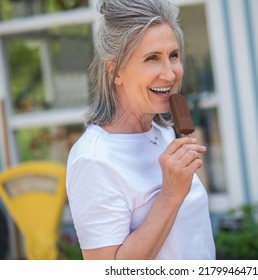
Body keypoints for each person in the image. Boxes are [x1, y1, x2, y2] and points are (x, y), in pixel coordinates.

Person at [66, 0, 216, 260]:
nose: (169, 75)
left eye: (173, 55)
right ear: (116, 71)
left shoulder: (164, 133)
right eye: (152, 58)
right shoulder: (92, 159)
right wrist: (170, 195)